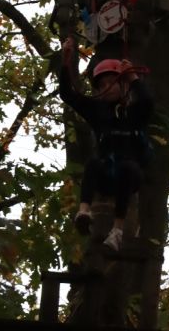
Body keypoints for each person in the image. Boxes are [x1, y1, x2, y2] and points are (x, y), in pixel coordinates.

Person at [59, 36, 153, 251]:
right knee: (93, 163)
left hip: (129, 176)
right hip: (105, 173)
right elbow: (67, 95)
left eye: (111, 82)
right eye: (102, 85)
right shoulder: (97, 110)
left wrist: (132, 77)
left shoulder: (134, 113)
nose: (107, 87)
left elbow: (147, 101)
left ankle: (117, 230)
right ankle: (84, 211)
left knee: (127, 168)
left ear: (122, 85)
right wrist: (65, 63)